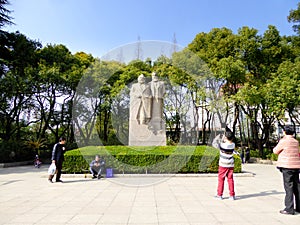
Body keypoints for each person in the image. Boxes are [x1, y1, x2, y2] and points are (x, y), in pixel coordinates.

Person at [273, 125, 300, 215]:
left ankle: (289, 208)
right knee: (297, 187)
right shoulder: (296, 142)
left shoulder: (284, 141)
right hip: (296, 166)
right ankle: (299, 207)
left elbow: (275, 151)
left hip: (286, 166)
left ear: (284, 132)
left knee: (289, 187)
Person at [215, 130, 236, 200]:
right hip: (230, 164)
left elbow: (214, 144)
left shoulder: (222, 145)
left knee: (221, 179)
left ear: (226, 137)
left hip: (223, 164)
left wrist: (218, 136)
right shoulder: (233, 145)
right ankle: (232, 195)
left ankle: (219, 195)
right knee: (230, 179)